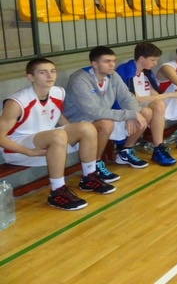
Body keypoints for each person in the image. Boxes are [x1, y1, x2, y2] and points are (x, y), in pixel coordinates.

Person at [0, 58, 115, 211]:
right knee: (58, 135)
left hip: (48, 140)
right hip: (19, 148)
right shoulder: (17, 102)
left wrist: (75, 131)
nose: (50, 75)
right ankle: (57, 191)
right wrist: (29, 152)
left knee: (87, 128)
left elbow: (56, 114)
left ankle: (89, 176)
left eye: (53, 71)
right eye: (43, 72)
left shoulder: (58, 92)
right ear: (31, 77)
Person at [63, 46, 152, 183]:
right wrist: (130, 114)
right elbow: (93, 111)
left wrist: (133, 113)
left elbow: (127, 98)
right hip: (78, 122)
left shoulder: (113, 76)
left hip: (102, 117)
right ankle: (95, 163)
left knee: (145, 112)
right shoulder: (79, 80)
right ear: (94, 64)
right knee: (106, 124)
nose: (112, 65)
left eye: (113, 61)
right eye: (107, 61)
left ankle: (125, 151)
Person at [115, 43, 177, 165]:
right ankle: (157, 147)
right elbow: (135, 99)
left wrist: (169, 96)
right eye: (153, 60)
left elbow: (154, 93)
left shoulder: (146, 72)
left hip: (147, 103)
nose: (155, 63)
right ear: (141, 58)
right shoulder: (126, 71)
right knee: (157, 104)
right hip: (131, 107)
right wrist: (170, 95)